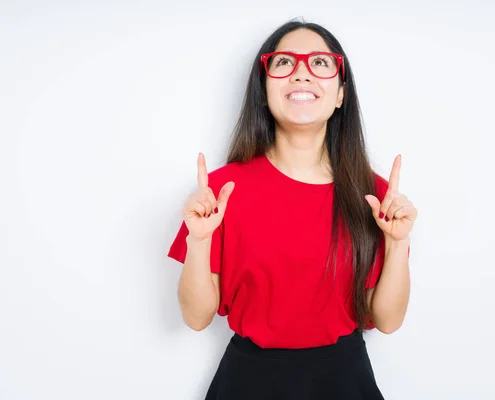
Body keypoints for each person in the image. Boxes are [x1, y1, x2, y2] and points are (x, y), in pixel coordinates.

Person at [167, 19, 417, 400]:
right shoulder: (219, 192)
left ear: (340, 94)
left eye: (320, 63)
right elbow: (196, 317)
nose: (301, 74)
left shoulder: (375, 195)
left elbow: (387, 320)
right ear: (264, 89)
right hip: (249, 382)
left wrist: (398, 244)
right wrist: (199, 242)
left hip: (345, 382)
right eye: (284, 63)